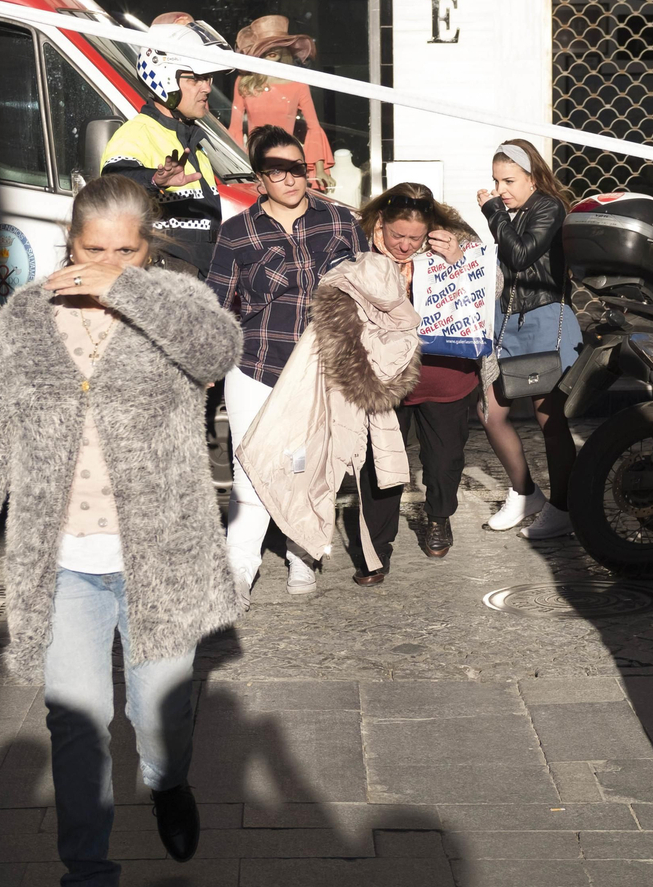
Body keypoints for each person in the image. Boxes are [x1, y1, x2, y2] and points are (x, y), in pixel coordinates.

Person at [0, 175, 243, 887]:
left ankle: (167, 781)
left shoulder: (177, 302)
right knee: (75, 718)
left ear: (148, 247)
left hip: (158, 555)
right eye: (93, 250)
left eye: (124, 251)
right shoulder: (28, 315)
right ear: (69, 244)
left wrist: (127, 291)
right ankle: (89, 884)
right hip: (63, 557)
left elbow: (219, 350)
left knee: (159, 715)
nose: (106, 263)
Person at [206, 124, 367, 597]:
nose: (291, 180)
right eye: (277, 172)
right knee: (250, 466)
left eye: (297, 169)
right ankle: (239, 567)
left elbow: (368, 285)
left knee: (305, 465)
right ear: (260, 179)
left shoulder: (338, 222)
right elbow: (215, 302)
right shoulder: (238, 231)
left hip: (318, 367)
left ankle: (301, 554)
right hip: (255, 362)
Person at [354, 184, 484, 583]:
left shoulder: (458, 243)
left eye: (415, 238)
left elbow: (489, 291)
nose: (406, 245)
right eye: (398, 236)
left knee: (443, 460)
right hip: (384, 377)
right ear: (381, 223)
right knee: (380, 462)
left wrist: (460, 261)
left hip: (445, 375)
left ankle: (439, 516)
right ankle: (376, 548)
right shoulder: (359, 245)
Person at [477, 139, 582, 540]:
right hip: (508, 321)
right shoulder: (513, 213)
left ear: (533, 177)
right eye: (496, 181)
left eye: (509, 180)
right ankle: (525, 492)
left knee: (549, 420)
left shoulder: (548, 207)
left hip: (543, 318)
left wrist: (492, 212)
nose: (501, 189)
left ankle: (563, 507)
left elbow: (521, 256)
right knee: (490, 410)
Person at [100, 21, 227, 276]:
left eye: (208, 78)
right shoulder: (137, 133)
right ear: (166, 79)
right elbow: (113, 185)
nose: (207, 87)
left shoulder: (190, 138)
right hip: (164, 284)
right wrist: (154, 179)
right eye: (197, 79)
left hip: (199, 280)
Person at [230, 15, 334, 190]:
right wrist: (237, 163)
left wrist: (319, 169)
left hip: (287, 159)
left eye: (278, 45)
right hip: (254, 160)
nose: (273, 50)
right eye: (267, 45)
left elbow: (314, 127)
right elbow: (235, 128)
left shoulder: (298, 84)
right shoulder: (243, 82)